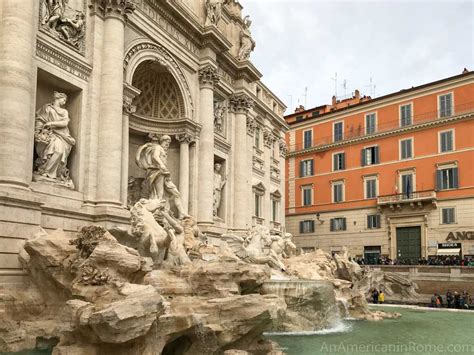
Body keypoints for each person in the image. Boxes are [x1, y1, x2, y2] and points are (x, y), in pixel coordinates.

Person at [135, 135, 189, 219]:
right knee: (160, 195)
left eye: (169, 143)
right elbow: (155, 156)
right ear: (162, 141)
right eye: (166, 142)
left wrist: (164, 169)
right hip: (157, 172)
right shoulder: (158, 147)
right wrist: (162, 166)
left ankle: (182, 213)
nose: (168, 144)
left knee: (176, 193)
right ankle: (157, 214)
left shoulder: (163, 150)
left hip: (164, 173)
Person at [34, 91, 76, 186]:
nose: (64, 102)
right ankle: (45, 172)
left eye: (65, 100)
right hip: (49, 134)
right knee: (54, 150)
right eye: (63, 99)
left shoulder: (65, 111)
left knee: (59, 151)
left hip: (62, 135)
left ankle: (50, 173)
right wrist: (39, 131)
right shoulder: (47, 108)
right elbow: (40, 119)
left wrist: (51, 123)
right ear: (58, 98)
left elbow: (65, 123)